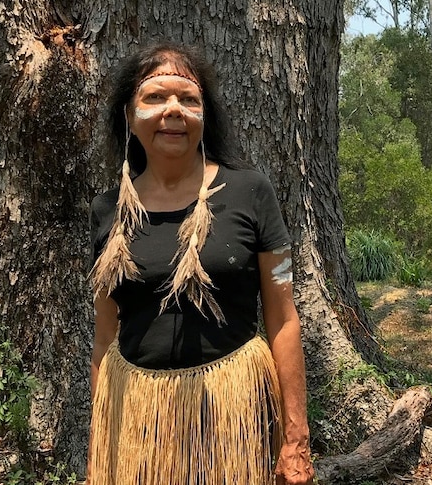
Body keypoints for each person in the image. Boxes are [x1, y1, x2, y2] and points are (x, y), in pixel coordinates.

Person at [87, 42, 314, 485]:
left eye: (189, 100)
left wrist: (296, 438)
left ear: (204, 117)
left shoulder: (250, 192)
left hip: (232, 416)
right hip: (139, 419)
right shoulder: (108, 211)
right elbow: (103, 337)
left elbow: (284, 319)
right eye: (155, 97)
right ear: (129, 117)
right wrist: (103, 441)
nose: (174, 110)